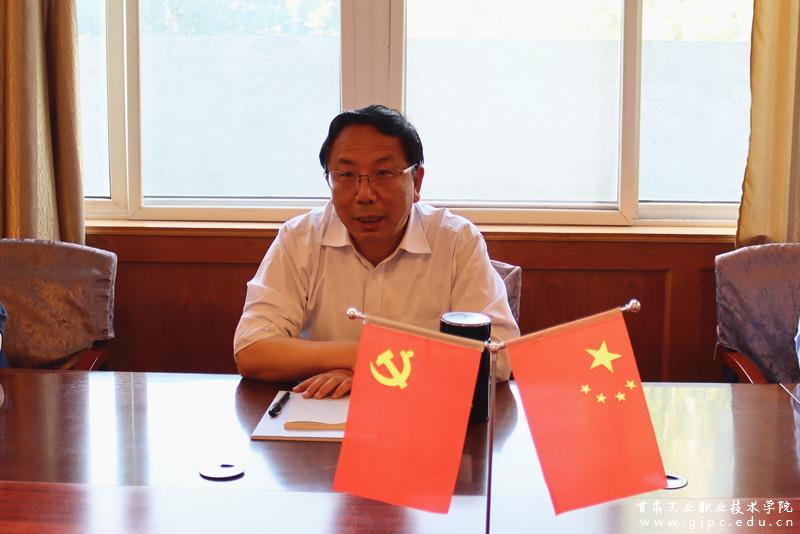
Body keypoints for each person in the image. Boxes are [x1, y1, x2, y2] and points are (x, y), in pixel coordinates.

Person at [234, 105, 519, 398]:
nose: (365, 194)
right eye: (346, 174)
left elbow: (497, 355)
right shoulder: (299, 238)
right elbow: (252, 348)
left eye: (383, 173)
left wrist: (374, 370)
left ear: (416, 181)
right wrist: (357, 356)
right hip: (319, 410)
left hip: (421, 409)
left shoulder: (456, 241)